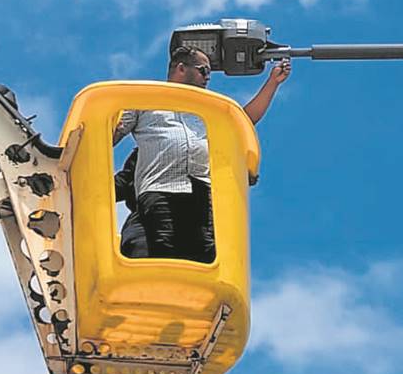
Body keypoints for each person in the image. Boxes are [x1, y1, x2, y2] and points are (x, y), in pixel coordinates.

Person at [113, 46, 290, 261]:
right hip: (161, 188)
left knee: (205, 254)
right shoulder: (144, 102)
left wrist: (273, 83)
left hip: (201, 189)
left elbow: (244, 121)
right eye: (203, 71)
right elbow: (112, 135)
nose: (208, 77)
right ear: (181, 69)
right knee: (164, 251)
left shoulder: (206, 110)